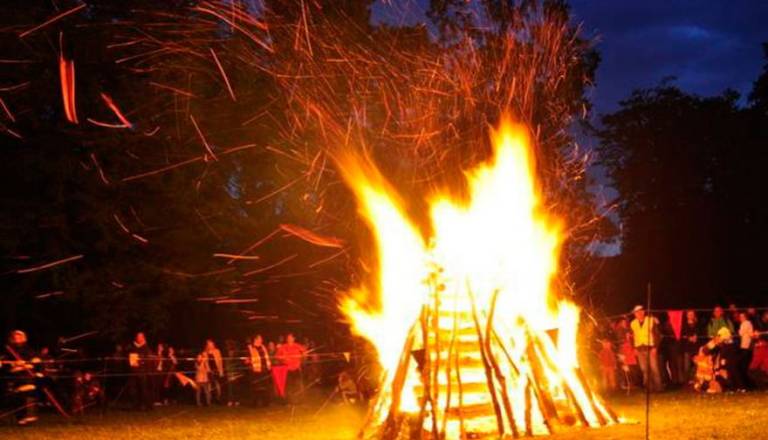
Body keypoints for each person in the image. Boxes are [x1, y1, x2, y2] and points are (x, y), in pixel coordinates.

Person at [1, 330, 40, 425]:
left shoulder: (28, 349)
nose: (17, 338)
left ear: (24, 338)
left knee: (33, 387)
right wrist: (13, 363)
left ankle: (28, 415)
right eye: (15, 337)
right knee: (24, 389)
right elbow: (2, 363)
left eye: (19, 336)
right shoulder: (7, 349)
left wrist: (34, 361)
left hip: (28, 375)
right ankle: (23, 417)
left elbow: (36, 359)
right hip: (12, 376)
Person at [629, 305, 662, 391]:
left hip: (650, 348)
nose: (639, 313)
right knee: (644, 369)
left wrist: (655, 347)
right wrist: (634, 348)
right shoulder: (633, 324)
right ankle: (649, 388)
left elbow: (657, 335)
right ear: (634, 314)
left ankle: (658, 387)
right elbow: (631, 337)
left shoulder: (651, 321)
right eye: (636, 312)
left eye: (640, 311)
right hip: (639, 348)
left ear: (644, 312)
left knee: (654, 368)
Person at [276, 333, 306, 403]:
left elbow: (305, 353)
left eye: (290, 338)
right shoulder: (283, 347)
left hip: (296, 368)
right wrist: (282, 358)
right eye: (288, 338)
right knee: (288, 386)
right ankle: (288, 400)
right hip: (287, 369)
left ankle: (298, 399)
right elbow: (277, 356)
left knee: (297, 384)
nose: (289, 339)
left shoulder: (297, 346)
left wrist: (302, 357)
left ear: (293, 338)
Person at [127, 332, 153, 411]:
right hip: (133, 371)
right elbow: (130, 357)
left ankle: (147, 406)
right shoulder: (132, 347)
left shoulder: (146, 347)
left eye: (141, 336)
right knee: (133, 389)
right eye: (138, 336)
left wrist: (141, 361)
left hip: (142, 372)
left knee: (143, 389)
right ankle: (135, 405)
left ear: (143, 338)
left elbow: (148, 360)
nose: (139, 338)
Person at [248, 335, 272, 406]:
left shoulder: (263, 347)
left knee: (264, 387)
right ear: (256, 339)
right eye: (260, 339)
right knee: (256, 387)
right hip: (255, 370)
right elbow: (247, 358)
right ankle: (254, 403)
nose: (261, 340)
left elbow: (266, 357)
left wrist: (269, 365)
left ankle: (265, 403)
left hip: (264, 370)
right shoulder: (250, 347)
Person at [680, 310, 700, 382]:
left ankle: (695, 380)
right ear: (687, 315)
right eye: (689, 314)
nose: (691, 315)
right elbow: (682, 335)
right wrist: (689, 338)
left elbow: (700, 333)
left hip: (696, 348)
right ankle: (686, 381)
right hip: (687, 348)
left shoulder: (698, 324)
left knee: (697, 365)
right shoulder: (683, 325)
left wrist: (696, 337)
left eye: (692, 314)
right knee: (687, 366)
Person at [737, 312, 755, 389]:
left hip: (746, 347)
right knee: (743, 366)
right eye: (740, 316)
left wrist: (739, 331)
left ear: (745, 317)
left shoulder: (746, 323)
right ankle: (747, 385)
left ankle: (748, 385)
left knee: (743, 366)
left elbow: (741, 333)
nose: (740, 318)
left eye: (742, 316)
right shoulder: (746, 323)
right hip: (745, 346)